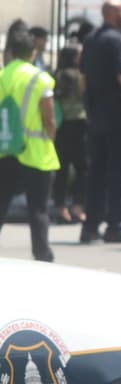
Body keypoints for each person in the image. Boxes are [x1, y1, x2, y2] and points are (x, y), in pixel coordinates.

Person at [79, 0, 121, 243]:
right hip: (118, 115)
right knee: (118, 172)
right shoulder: (117, 40)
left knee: (97, 172)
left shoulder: (92, 39)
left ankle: (90, 227)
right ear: (113, 13)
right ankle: (115, 226)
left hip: (97, 116)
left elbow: (82, 78)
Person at [0, 21, 59, 261]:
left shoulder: (3, 75)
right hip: (35, 153)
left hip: (5, 150)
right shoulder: (40, 78)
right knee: (38, 208)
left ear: (11, 52)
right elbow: (49, 117)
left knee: (1, 204)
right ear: (33, 52)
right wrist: (51, 139)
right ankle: (42, 254)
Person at [51, 43, 88, 225]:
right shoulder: (76, 76)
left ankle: (60, 206)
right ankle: (78, 206)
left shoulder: (56, 74)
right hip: (77, 123)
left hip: (61, 125)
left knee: (62, 168)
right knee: (82, 167)